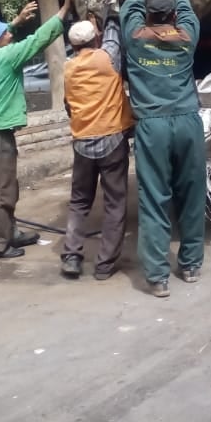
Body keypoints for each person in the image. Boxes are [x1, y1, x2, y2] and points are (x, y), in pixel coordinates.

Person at [119, 0, 207, 298]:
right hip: (187, 122)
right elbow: (187, 12)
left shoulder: (134, 38)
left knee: (153, 198)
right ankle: (191, 264)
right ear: (171, 14)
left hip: (152, 126)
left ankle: (157, 278)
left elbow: (129, 9)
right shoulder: (186, 38)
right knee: (192, 193)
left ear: (147, 17)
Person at [0, 0, 72, 259]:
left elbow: (0, 36)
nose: (9, 34)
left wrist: (15, 22)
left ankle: (9, 232)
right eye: (5, 33)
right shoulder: (6, 57)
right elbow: (38, 39)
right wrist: (64, 11)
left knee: (6, 185)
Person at [60, 16, 134, 281]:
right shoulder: (107, 58)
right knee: (115, 203)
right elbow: (114, 33)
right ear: (96, 38)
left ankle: (71, 256)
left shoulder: (68, 68)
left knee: (80, 202)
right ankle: (104, 265)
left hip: (82, 142)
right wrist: (110, 14)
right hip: (112, 140)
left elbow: (68, 105)